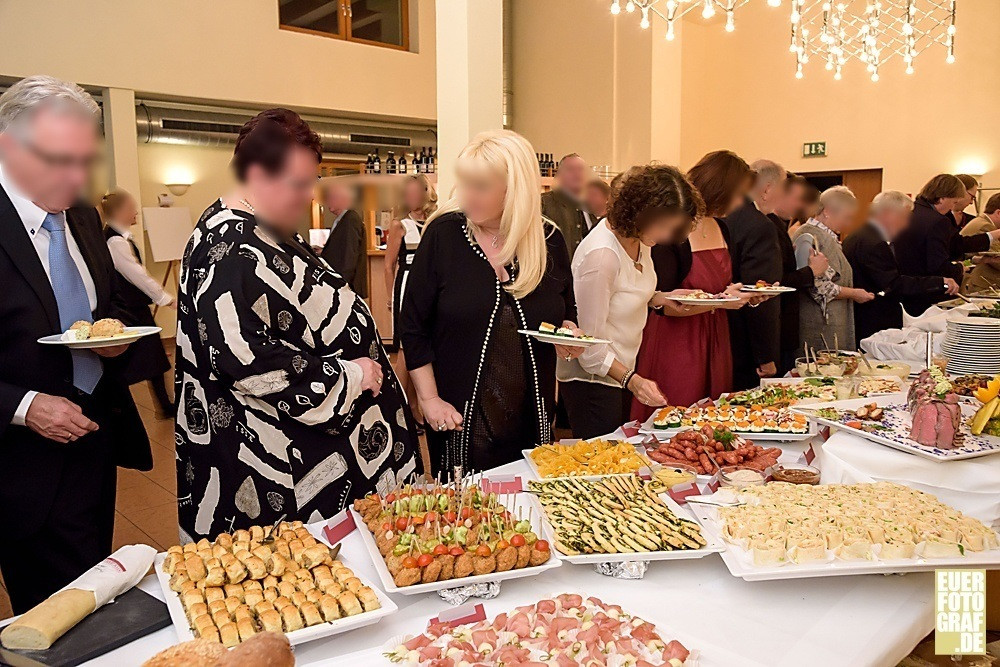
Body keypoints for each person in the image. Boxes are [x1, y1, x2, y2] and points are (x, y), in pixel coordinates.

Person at [175, 108, 417, 540]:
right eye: (300, 183)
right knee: (308, 581)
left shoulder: (262, 225)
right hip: (282, 463)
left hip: (315, 447)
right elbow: (248, 361)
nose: (308, 196)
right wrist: (351, 375)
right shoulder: (230, 247)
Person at [0, 76, 150, 612]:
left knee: (95, 594)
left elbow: (114, 304)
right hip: (19, 462)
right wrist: (24, 407)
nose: (78, 176)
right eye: (62, 160)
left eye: (87, 160)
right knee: (48, 616)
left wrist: (113, 337)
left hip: (93, 434)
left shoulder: (83, 215)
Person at [401, 130, 581, 474]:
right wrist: (429, 400)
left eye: (480, 186)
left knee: (526, 511)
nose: (467, 196)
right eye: (464, 183)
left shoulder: (548, 240)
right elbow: (413, 327)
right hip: (457, 417)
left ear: (515, 188)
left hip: (532, 417)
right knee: (462, 517)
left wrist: (567, 333)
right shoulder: (445, 235)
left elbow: (564, 310)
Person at [559, 164, 704, 438]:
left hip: (620, 373)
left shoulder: (640, 240)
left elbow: (627, 293)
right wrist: (632, 381)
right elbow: (589, 348)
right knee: (602, 468)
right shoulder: (602, 257)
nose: (664, 237)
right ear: (639, 212)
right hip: (593, 381)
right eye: (662, 226)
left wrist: (661, 298)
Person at [632, 151, 755, 417]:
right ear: (719, 188)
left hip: (716, 336)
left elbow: (722, 286)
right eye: (738, 194)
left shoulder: (723, 228)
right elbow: (661, 302)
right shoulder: (674, 229)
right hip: (677, 341)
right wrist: (723, 302)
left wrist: (739, 293)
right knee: (677, 416)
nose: (740, 202)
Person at [844, 191, 958, 343]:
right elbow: (893, 285)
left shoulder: (858, 235)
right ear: (887, 214)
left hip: (865, 316)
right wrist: (939, 282)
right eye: (904, 217)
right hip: (873, 320)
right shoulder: (873, 242)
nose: (905, 224)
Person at [100, 189, 176, 418]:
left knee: (153, 360)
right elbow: (137, 275)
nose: (135, 212)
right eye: (131, 207)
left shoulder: (118, 237)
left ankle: (164, 405)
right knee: (138, 361)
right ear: (121, 211)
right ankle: (156, 407)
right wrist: (165, 298)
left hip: (132, 308)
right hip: (129, 311)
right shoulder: (115, 241)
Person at [893, 174, 1000, 315]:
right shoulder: (937, 220)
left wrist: (975, 258)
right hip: (927, 292)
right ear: (943, 198)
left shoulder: (914, 210)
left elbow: (955, 245)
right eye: (954, 202)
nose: (953, 207)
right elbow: (938, 264)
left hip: (907, 288)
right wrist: (959, 268)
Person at [723, 159, 785, 390]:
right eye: (782, 188)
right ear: (767, 189)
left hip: (721, 330)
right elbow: (759, 292)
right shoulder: (760, 225)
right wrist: (766, 355)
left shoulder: (725, 216)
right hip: (745, 341)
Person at [792, 186, 874, 351]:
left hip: (830, 322)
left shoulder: (825, 236)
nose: (849, 224)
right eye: (847, 217)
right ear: (828, 211)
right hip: (818, 326)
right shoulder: (808, 235)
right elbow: (818, 287)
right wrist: (854, 293)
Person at [769, 174, 829, 373]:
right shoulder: (769, 228)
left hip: (784, 324)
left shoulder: (778, 226)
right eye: (798, 198)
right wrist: (812, 271)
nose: (801, 205)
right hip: (776, 322)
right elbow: (775, 283)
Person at [319, 181, 368, 297]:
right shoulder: (342, 220)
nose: (328, 201)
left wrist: (342, 286)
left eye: (332, 197)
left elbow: (349, 256)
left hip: (346, 288)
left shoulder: (350, 220)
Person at [541, 153, 594, 256]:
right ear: (559, 175)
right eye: (570, 169)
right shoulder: (543, 203)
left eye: (581, 169)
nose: (577, 174)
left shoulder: (592, 205)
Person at [960, 192, 1000, 295]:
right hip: (981, 284)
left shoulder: (980, 221)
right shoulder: (985, 227)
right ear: (998, 213)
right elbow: (997, 260)